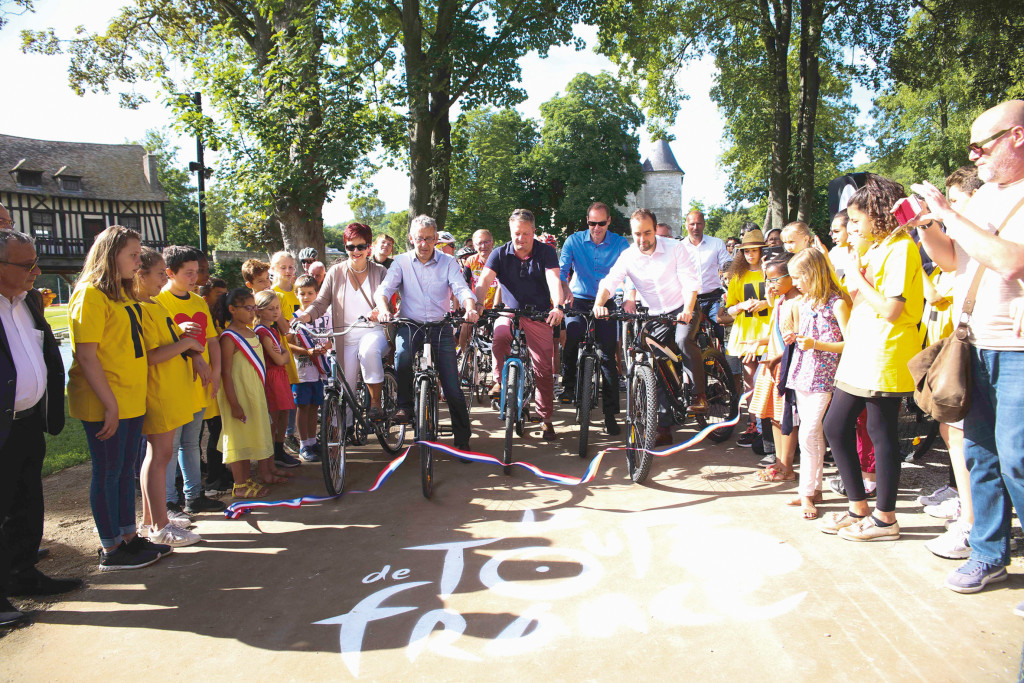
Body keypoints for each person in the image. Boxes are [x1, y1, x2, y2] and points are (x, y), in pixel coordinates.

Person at [910, 101, 1024, 606]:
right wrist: (927, 226)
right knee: (980, 455)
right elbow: (953, 261)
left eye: (983, 143)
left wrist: (952, 214)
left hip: (1016, 349)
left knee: (1019, 460)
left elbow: (1009, 261)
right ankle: (988, 553)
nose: (973, 154)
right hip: (974, 345)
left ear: (1016, 138)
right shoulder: (982, 200)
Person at [820, 173, 923, 542]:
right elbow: (859, 298)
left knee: (881, 433)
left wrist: (858, 277)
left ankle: (886, 519)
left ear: (878, 215)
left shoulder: (901, 248)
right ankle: (857, 506)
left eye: (858, 221)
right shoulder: (876, 248)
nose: (853, 229)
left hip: (885, 350)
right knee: (834, 425)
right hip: (862, 348)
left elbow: (893, 309)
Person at [67, 225, 170, 571]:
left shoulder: (123, 296)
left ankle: (128, 536)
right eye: (132, 255)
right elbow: (87, 356)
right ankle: (111, 548)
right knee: (109, 471)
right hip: (105, 403)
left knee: (126, 470)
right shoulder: (90, 295)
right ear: (111, 255)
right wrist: (110, 404)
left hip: (130, 398)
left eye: (139, 254)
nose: (138, 262)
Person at [0, 225, 80, 628]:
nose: (37, 271)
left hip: (28, 422)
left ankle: (22, 574)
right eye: (27, 264)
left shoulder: (28, 302)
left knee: (27, 504)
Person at [919, 165, 984, 561]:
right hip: (966, 343)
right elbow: (945, 262)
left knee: (979, 444)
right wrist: (927, 222)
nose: (951, 208)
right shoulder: (964, 236)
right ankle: (974, 522)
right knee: (953, 432)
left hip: (996, 347)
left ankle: (974, 524)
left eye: (956, 200)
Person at [593, 209, 700, 446]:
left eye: (648, 233)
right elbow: (610, 281)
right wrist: (599, 304)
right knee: (657, 363)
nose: (643, 239)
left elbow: (691, 281)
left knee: (683, 341)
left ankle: (698, 394)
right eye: (637, 234)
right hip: (657, 315)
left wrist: (688, 310)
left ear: (655, 230)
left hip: (684, 307)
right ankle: (663, 426)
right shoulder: (629, 255)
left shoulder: (675, 248)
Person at [376, 215, 478, 450]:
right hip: (410, 324)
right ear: (411, 238)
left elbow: (461, 288)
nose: (424, 244)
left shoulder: (449, 262)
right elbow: (384, 289)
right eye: (419, 239)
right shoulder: (400, 262)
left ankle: (462, 440)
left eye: (429, 239)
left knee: (452, 387)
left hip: (439, 326)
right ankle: (405, 405)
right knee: (402, 356)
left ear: (436, 240)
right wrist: (383, 309)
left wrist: (470, 308)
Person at [133, 248, 204, 547]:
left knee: (159, 457)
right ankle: (159, 525)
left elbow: (166, 339)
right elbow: (150, 355)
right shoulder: (143, 307)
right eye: (161, 273)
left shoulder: (153, 304)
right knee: (159, 456)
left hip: (170, 389)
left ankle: (153, 518)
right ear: (141, 275)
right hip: (159, 390)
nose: (166, 277)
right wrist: (186, 340)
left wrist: (180, 333)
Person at [474, 210, 563, 440]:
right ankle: (498, 382)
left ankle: (545, 418)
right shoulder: (499, 253)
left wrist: (557, 306)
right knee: (500, 335)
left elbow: (554, 280)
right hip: (510, 310)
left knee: (543, 368)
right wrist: (478, 303)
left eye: (525, 233)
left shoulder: (546, 252)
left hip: (539, 313)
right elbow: (484, 281)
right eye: (516, 233)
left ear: (534, 231)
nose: (520, 238)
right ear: (510, 231)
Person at [154, 246, 225, 516]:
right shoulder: (159, 302)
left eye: (196, 272)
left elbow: (211, 341)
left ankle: (193, 495)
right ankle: (169, 500)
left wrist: (215, 372)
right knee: (170, 446)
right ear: (170, 273)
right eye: (188, 273)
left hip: (199, 385)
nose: (195, 278)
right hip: (173, 385)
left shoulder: (198, 302)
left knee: (191, 442)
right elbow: (161, 343)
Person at [296, 222, 389, 427]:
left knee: (368, 351)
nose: (356, 251)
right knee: (344, 388)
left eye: (361, 246)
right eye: (350, 247)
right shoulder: (335, 272)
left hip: (373, 332)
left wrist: (381, 311)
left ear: (369, 247)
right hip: (344, 336)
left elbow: (389, 302)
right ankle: (341, 434)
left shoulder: (380, 272)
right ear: (345, 246)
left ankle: (375, 403)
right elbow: (320, 303)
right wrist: (303, 317)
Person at [786, 249, 849, 520]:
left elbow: (850, 343)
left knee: (809, 432)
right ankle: (814, 488)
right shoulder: (801, 304)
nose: (795, 283)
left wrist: (816, 344)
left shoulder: (837, 304)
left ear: (813, 273)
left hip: (825, 376)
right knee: (812, 433)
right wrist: (794, 337)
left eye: (799, 277)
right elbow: (803, 335)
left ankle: (806, 493)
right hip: (802, 372)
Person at [559, 202, 630, 435]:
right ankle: (568, 385)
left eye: (601, 223)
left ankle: (611, 415)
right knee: (573, 334)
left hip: (607, 301)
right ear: (586, 221)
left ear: (609, 221)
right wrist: (564, 289)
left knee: (609, 356)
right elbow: (562, 271)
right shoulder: (573, 241)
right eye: (592, 223)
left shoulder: (620, 243)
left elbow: (630, 272)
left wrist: (628, 296)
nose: (596, 228)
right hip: (578, 297)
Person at [214, 288, 274, 499]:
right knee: (239, 438)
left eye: (254, 308)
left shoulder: (252, 332)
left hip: (253, 392)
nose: (252, 312)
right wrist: (234, 403)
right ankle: (239, 484)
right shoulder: (229, 337)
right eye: (247, 308)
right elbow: (226, 373)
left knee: (249, 436)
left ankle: (247, 480)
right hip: (238, 394)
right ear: (232, 309)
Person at [748, 253, 800, 483]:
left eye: (775, 280)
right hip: (773, 366)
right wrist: (760, 343)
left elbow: (798, 341)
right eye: (767, 280)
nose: (770, 285)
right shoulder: (780, 301)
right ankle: (778, 463)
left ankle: (787, 466)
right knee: (774, 417)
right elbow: (774, 331)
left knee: (788, 419)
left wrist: (777, 359)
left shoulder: (798, 303)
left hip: (786, 368)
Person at [724, 229, 772, 446]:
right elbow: (729, 310)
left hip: (769, 331)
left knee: (769, 380)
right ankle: (754, 425)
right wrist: (741, 306)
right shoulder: (737, 275)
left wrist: (766, 303)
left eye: (754, 250)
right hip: (746, 332)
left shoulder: (771, 271)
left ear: (762, 251)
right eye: (746, 251)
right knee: (750, 380)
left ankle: (768, 425)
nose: (750, 255)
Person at [287, 275, 331, 462]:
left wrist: (325, 347)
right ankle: (304, 444)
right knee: (302, 407)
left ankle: (313, 442)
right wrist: (306, 351)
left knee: (315, 407)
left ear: (317, 294)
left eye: (310, 293)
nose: (306, 297)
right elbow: (288, 344)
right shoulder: (294, 319)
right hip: (302, 371)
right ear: (296, 295)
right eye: (302, 293)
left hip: (320, 370)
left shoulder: (326, 316)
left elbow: (332, 338)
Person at [253, 291, 297, 477]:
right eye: (270, 309)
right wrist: (285, 356)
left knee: (283, 414)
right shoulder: (262, 331)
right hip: (271, 377)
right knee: (273, 419)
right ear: (259, 311)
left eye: (277, 307)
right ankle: (269, 459)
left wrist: (284, 356)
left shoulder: (273, 329)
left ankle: (279, 451)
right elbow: (280, 358)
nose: (275, 312)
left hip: (280, 377)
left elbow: (282, 355)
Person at [679, 209, 731, 355]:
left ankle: (729, 369)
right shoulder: (679, 247)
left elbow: (726, 264)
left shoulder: (716, 243)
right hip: (690, 301)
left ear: (704, 224)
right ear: (686, 225)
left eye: (699, 224)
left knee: (722, 330)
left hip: (713, 297)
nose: (695, 227)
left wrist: (732, 271)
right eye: (692, 224)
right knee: (685, 336)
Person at [269, 251, 302, 455]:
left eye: (291, 267)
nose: (288, 271)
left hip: (302, 352)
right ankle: (281, 441)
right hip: (284, 351)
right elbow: (285, 330)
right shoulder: (273, 294)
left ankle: (290, 435)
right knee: (281, 400)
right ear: (273, 269)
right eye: (283, 267)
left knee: (296, 398)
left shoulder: (299, 290)